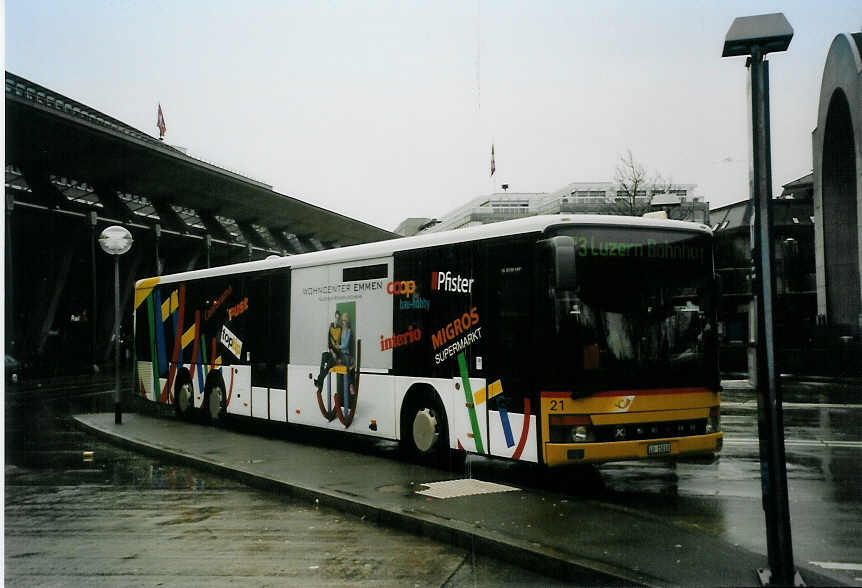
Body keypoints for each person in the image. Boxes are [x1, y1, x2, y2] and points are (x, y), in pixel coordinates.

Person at [314, 310, 341, 388]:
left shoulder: (340, 329)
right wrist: (332, 352)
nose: (337, 320)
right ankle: (320, 381)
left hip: (337, 355)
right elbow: (329, 343)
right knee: (324, 355)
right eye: (336, 318)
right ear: (335, 317)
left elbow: (340, 345)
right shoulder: (331, 327)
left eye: (338, 318)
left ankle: (319, 382)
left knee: (329, 364)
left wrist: (336, 353)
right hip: (332, 352)